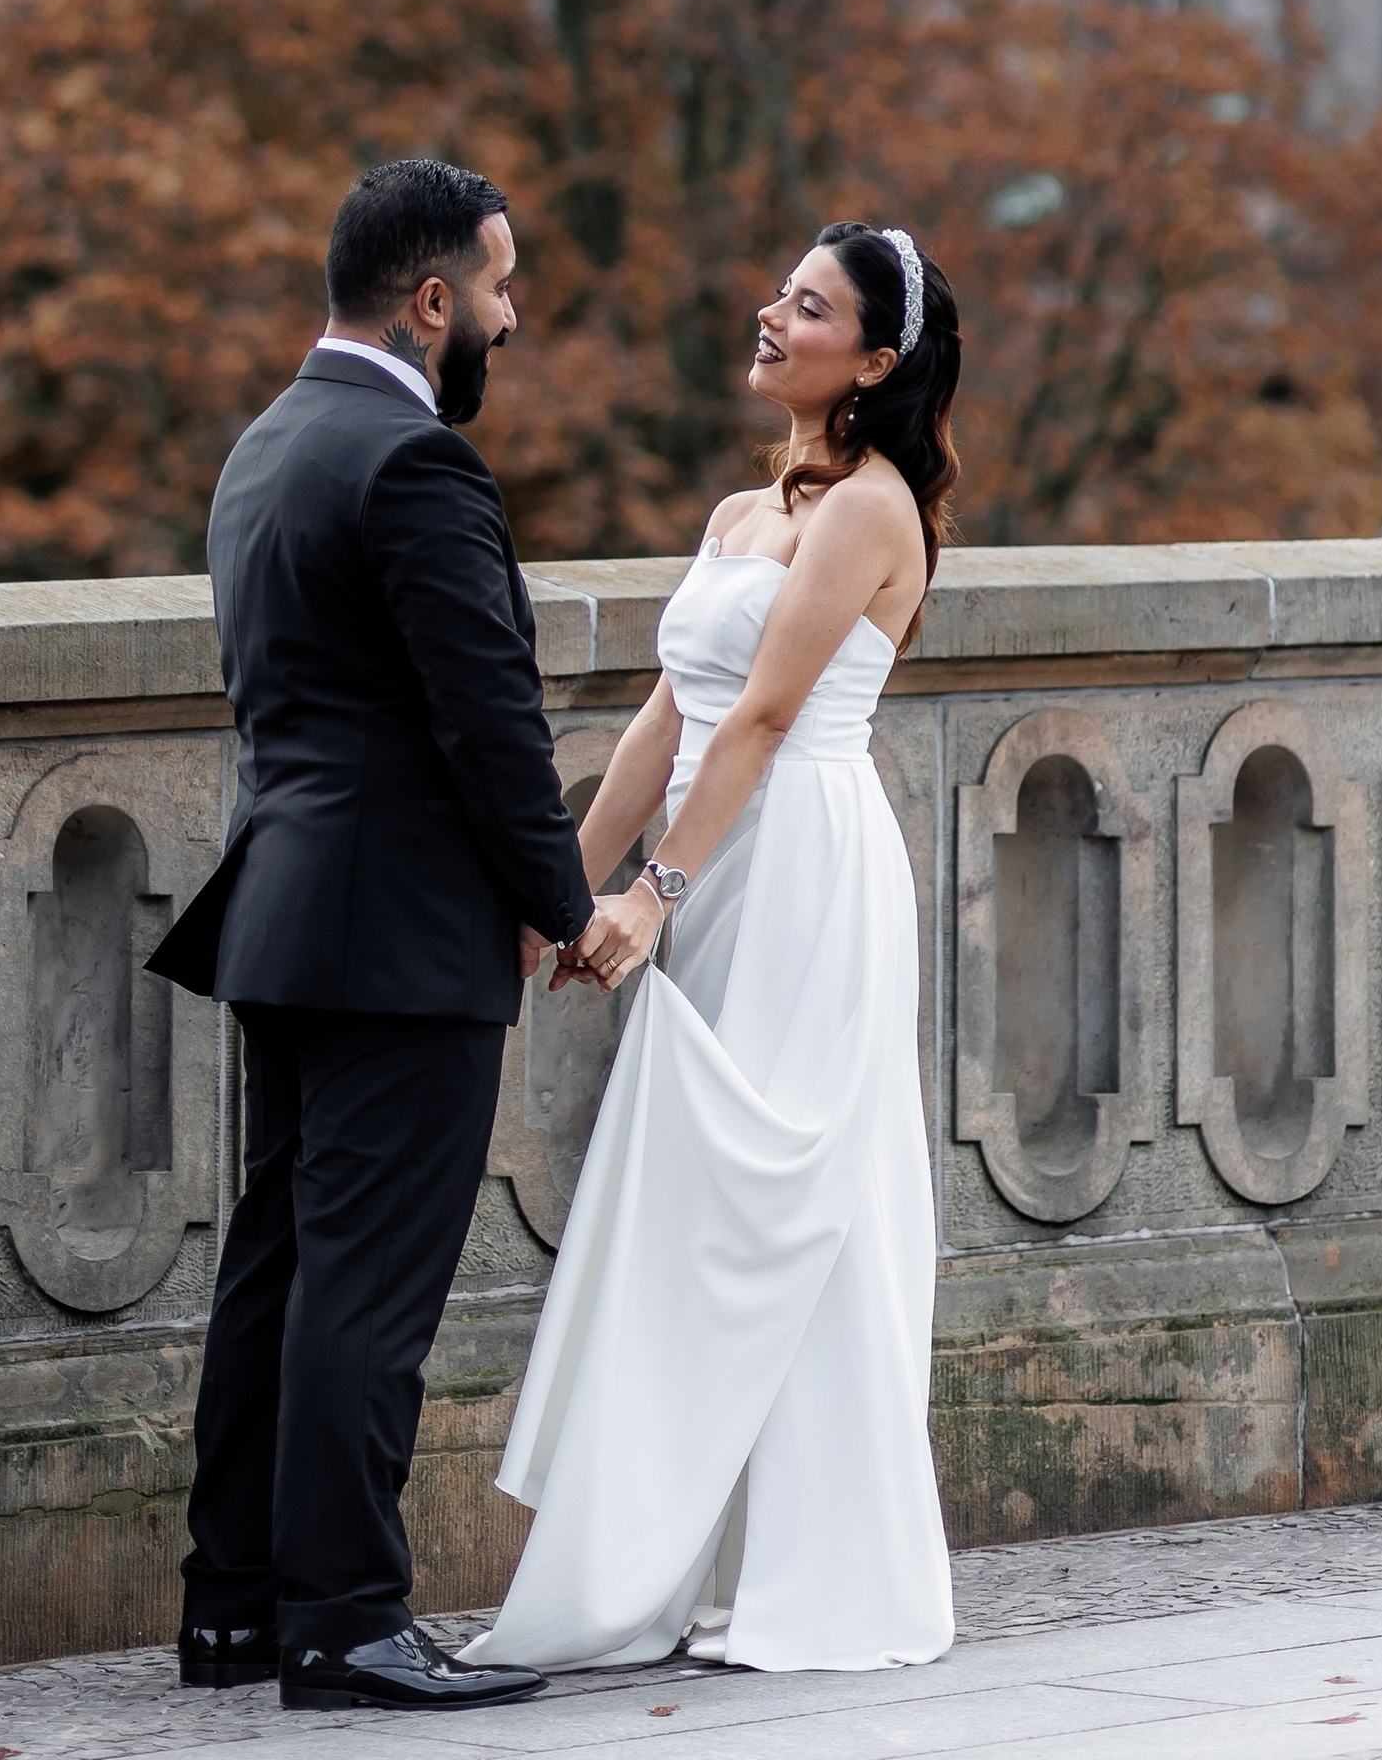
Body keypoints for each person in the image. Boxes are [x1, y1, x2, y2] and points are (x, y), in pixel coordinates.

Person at [149, 156, 622, 1713]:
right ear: (431, 303)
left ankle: (234, 1609)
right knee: (367, 1286)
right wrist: (567, 905)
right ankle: (345, 1619)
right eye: (495, 288)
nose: (509, 315)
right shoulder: (415, 467)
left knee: (277, 1271)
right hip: (397, 934)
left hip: (282, 915)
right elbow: (487, 720)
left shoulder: (267, 445)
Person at [470, 221, 960, 1676]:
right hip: (716, 854)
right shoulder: (745, 514)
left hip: (800, 867)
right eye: (779, 294)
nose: (770, 315)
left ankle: (817, 1575)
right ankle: (679, 1551)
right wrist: (561, 891)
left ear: (873, 362)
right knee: (701, 1205)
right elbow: (667, 718)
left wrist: (656, 894)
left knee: (783, 1205)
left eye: (808, 309)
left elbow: (760, 720)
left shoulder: (871, 511)